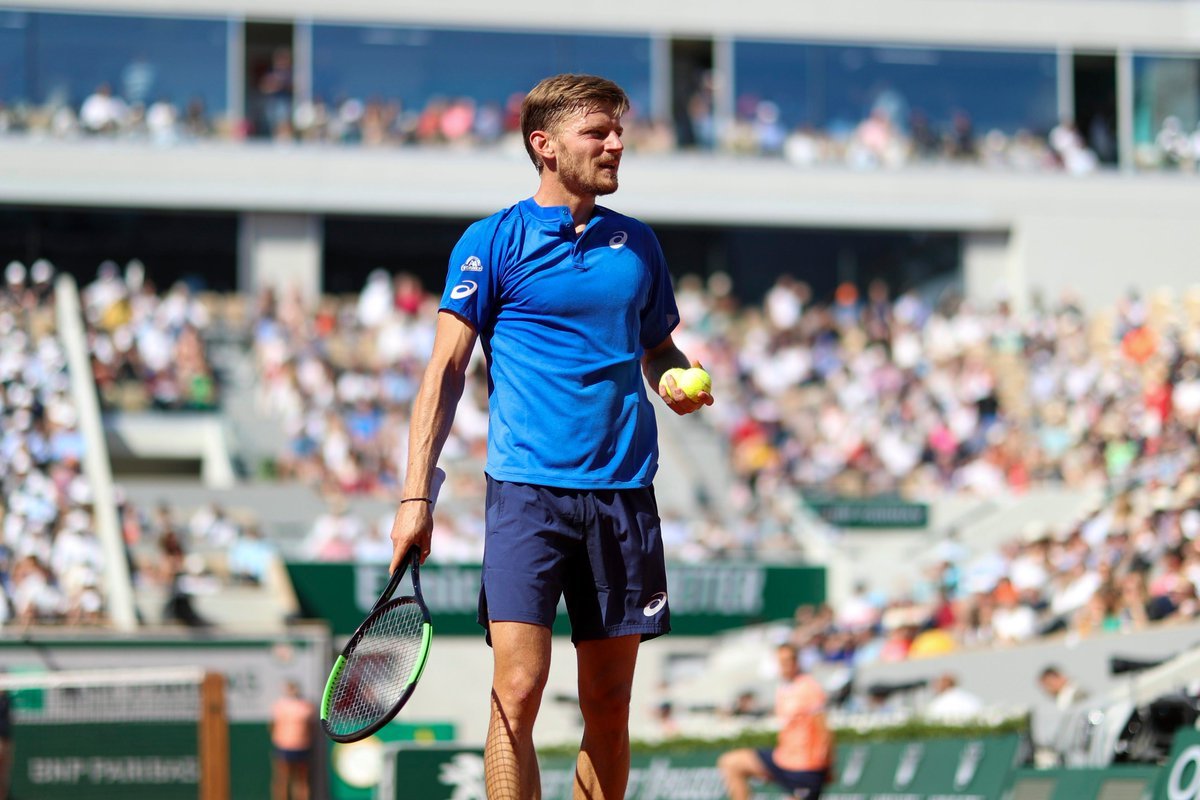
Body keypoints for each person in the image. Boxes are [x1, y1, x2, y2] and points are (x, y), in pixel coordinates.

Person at [387, 73, 712, 800]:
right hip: (526, 496)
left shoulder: (639, 244)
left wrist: (674, 377)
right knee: (517, 691)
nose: (616, 144)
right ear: (545, 145)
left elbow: (659, 348)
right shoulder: (491, 241)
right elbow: (444, 370)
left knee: (609, 703)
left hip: (624, 496)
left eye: (618, 131)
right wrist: (415, 497)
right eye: (597, 132)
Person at [718, 644, 834, 800]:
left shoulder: (809, 688)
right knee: (731, 763)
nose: (784, 666)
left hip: (806, 766)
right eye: (780, 662)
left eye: (787, 661)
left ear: (796, 662)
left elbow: (824, 730)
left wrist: (828, 766)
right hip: (783, 758)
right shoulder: (784, 688)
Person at [269, 680, 315, 800]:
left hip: (301, 747)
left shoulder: (306, 706)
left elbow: (310, 727)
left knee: (301, 779)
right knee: (283, 779)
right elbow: (273, 725)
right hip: (283, 746)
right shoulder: (280, 706)